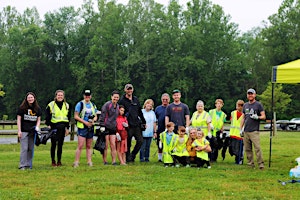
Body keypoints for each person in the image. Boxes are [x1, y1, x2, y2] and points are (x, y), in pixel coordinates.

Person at [118, 83, 146, 162]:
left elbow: (139, 111)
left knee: (140, 140)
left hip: (136, 124)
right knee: (128, 142)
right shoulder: (122, 100)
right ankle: (127, 158)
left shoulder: (135, 99)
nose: (129, 90)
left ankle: (133, 155)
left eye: (130, 89)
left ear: (132, 90)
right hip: (127, 124)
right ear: (125, 90)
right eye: (128, 89)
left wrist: (144, 122)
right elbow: (120, 112)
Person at [45, 90, 71, 167]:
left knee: (60, 145)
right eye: (58, 95)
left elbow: (68, 118)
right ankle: (53, 161)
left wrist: (67, 128)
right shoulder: (51, 105)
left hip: (62, 127)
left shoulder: (67, 105)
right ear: (56, 96)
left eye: (61, 95)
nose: (60, 97)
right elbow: (47, 116)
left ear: (63, 96)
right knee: (53, 144)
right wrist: (49, 124)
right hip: (54, 127)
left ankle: (59, 161)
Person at [17, 92, 42, 170]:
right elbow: (18, 119)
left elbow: (38, 119)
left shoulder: (37, 108)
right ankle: (22, 165)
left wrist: (37, 127)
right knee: (24, 148)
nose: (30, 99)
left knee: (30, 148)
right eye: (29, 97)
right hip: (24, 131)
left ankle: (28, 164)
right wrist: (19, 130)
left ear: (34, 98)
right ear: (26, 99)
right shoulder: (22, 108)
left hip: (32, 131)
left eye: (32, 97)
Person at [242, 88, 266, 170]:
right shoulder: (245, 105)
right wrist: (241, 128)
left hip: (254, 131)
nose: (250, 95)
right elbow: (243, 117)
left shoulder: (258, 105)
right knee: (248, 149)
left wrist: (258, 117)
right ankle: (250, 164)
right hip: (246, 130)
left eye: (251, 94)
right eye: (249, 94)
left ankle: (261, 164)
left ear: (255, 95)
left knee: (257, 148)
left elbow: (263, 116)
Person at [73, 89, 97, 167]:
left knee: (89, 145)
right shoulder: (80, 104)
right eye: (86, 95)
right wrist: (85, 122)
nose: (87, 97)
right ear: (84, 96)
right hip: (82, 127)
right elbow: (76, 116)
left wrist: (93, 121)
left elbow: (96, 115)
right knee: (80, 145)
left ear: (91, 96)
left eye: (89, 95)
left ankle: (89, 161)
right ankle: (76, 161)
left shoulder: (93, 105)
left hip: (90, 127)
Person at [99, 90, 120, 165]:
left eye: (117, 97)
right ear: (111, 97)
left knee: (113, 144)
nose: (116, 99)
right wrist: (102, 125)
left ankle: (114, 161)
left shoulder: (118, 106)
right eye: (114, 97)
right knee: (106, 144)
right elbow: (103, 115)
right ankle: (105, 160)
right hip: (106, 126)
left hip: (113, 127)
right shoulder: (107, 105)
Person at [155, 93, 170, 162]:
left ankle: (169, 157)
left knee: (168, 143)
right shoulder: (158, 108)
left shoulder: (171, 107)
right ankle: (160, 158)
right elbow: (155, 120)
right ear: (161, 100)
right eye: (163, 99)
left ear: (169, 100)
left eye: (166, 99)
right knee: (159, 144)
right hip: (160, 128)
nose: (165, 101)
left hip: (169, 129)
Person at [229, 100, 245, 165]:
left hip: (239, 134)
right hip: (232, 133)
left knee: (239, 149)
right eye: (237, 105)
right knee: (233, 148)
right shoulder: (233, 113)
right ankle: (236, 158)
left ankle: (239, 160)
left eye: (239, 106)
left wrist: (243, 130)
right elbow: (231, 121)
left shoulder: (244, 115)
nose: (237, 107)